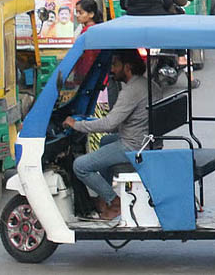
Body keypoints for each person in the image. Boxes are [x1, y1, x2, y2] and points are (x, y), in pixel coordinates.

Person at [66, 50, 162, 219]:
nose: (112, 69)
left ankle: (113, 201)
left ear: (127, 67)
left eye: (115, 64)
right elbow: (114, 124)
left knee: (80, 166)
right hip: (146, 141)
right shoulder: (147, 84)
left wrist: (78, 125)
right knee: (105, 141)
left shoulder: (131, 91)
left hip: (133, 146)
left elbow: (110, 123)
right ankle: (105, 195)